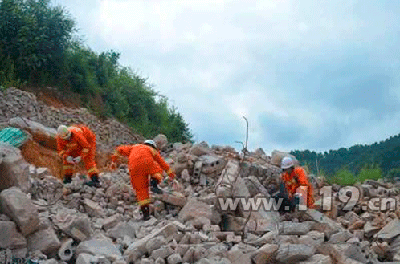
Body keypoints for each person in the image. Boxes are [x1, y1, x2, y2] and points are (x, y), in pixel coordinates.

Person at [110, 139, 176, 221]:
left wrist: (113, 161)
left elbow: (119, 149)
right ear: (153, 147)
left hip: (133, 166)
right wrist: (170, 173)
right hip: (146, 163)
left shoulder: (134, 147)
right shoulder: (151, 150)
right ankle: (153, 184)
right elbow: (162, 163)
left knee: (141, 190)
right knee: (157, 169)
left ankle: (146, 214)